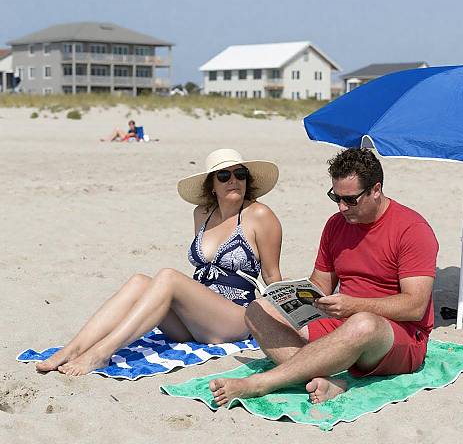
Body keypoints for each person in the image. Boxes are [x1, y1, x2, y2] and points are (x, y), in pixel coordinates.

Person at [209, 148, 438, 405]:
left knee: (364, 323)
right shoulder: (336, 224)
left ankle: (262, 383)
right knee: (257, 310)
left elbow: (415, 306)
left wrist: (355, 305)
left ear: (376, 190)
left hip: (396, 335)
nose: (342, 207)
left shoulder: (412, 229)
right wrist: (291, 295)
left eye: (350, 200)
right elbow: (321, 284)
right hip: (342, 321)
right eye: (335, 197)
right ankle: (324, 378)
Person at [36, 148, 282, 376]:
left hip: (234, 319)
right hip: (196, 322)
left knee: (168, 277)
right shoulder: (202, 214)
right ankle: (72, 349)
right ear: (212, 186)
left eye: (240, 174)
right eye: (224, 175)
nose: (233, 180)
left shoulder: (259, 215)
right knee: (139, 282)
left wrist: (285, 323)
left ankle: (101, 354)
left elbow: (272, 276)